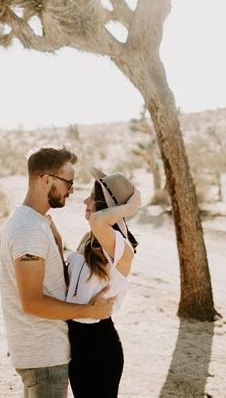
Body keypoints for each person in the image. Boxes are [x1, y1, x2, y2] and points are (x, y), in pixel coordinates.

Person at [0, 148, 116, 398]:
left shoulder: (34, 222)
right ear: (46, 179)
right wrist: (90, 311)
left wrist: (58, 244)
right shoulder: (30, 229)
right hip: (44, 356)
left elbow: (49, 286)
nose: (72, 191)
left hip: (41, 353)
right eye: (69, 183)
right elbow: (32, 303)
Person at [63, 166, 141, 398]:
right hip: (75, 341)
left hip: (99, 344)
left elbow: (98, 220)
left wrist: (130, 208)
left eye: (94, 197)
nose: (85, 200)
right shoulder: (88, 239)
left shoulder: (121, 246)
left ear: (109, 208)